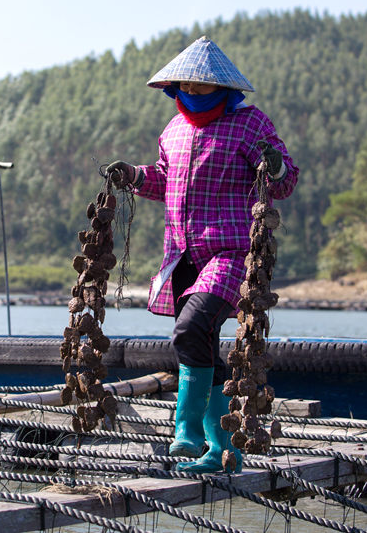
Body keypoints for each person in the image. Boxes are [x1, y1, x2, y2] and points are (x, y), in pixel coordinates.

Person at [107, 36, 299, 474]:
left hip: (231, 252)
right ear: (175, 88)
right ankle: (222, 450)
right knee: (201, 344)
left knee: (190, 328)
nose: (192, 94)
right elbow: (164, 179)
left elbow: (284, 182)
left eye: (201, 87)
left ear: (223, 89)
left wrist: (275, 165)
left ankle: (187, 429)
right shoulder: (173, 131)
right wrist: (134, 176)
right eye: (185, 87)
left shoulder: (250, 124)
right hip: (182, 256)